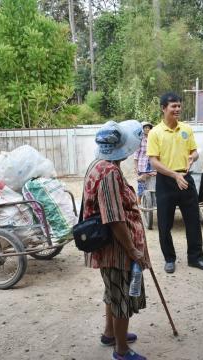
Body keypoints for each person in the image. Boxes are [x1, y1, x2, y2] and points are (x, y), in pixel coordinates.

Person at [83, 120, 151, 360]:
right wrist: (133, 250)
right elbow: (114, 219)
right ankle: (121, 351)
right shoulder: (110, 172)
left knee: (112, 291)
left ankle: (110, 333)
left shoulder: (97, 165)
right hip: (117, 248)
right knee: (122, 296)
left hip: (108, 246)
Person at [147, 92, 203, 273]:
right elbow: (154, 161)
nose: (177, 109)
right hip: (166, 181)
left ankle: (196, 258)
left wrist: (193, 156)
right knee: (164, 223)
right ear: (163, 108)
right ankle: (169, 258)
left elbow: (194, 151)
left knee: (193, 221)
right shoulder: (155, 133)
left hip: (186, 178)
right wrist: (174, 176)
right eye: (173, 106)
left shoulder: (186, 129)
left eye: (178, 106)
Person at [133, 121, 156, 204]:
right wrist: (135, 167)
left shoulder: (153, 138)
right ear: (142, 129)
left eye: (148, 128)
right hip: (143, 164)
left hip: (152, 163)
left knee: (153, 181)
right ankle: (139, 198)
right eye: (145, 128)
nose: (147, 129)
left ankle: (152, 200)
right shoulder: (140, 140)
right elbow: (136, 154)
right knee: (141, 182)